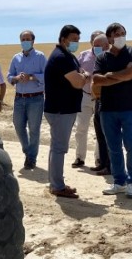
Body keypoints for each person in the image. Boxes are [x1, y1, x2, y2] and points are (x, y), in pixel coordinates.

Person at [92, 23, 132, 198]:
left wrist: (110, 76)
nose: (121, 36)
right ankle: (119, 181)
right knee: (113, 147)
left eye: (123, 33)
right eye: (117, 34)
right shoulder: (102, 58)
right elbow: (97, 80)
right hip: (107, 109)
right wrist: (122, 74)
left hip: (130, 107)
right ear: (109, 38)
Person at [43, 25, 87, 198]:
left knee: (56, 147)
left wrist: (81, 75)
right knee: (59, 148)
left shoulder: (68, 56)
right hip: (61, 109)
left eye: (77, 40)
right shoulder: (62, 57)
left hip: (62, 108)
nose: (76, 43)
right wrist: (85, 77)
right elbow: (77, 82)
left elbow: (77, 75)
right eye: (73, 39)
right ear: (63, 40)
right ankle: (57, 186)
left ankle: (55, 182)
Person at [7, 30, 48, 170]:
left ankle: (31, 158)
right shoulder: (16, 58)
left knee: (34, 129)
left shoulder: (40, 56)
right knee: (18, 125)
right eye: (23, 39)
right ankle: (28, 152)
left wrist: (31, 77)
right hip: (19, 98)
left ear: (33, 41)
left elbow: (47, 75)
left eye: (28, 39)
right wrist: (16, 78)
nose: (25, 41)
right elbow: (9, 76)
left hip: (35, 98)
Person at [71, 31, 101, 169]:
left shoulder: (108, 55)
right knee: (81, 128)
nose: (98, 44)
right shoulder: (83, 55)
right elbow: (75, 71)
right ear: (91, 42)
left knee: (100, 130)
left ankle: (99, 158)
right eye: (95, 40)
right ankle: (79, 157)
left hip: (101, 98)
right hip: (85, 95)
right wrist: (83, 75)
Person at [87, 33, 113, 175]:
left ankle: (110, 166)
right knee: (100, 134)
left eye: (98, 46)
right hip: (97, 100)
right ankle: (102, 163)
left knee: (108, 134)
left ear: (106, 45)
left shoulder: (110, 59)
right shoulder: (99, 59)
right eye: (94, 45)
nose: (95, 48)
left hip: (107, 101)